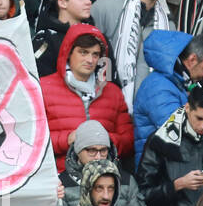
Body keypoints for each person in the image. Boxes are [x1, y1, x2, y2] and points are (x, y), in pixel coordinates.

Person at [37, 24, 133, 172]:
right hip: (60, 178)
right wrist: (68, 139)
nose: (90, 59)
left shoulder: (113, 92)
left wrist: (102, 139)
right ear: (68, 52)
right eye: (83, 52)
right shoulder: (43, 88)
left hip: (105, 180)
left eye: (95, 54)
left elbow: (128, 142)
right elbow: (32, 141)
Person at [89, 0, 171, 108]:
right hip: (107, 102)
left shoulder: (167, 19)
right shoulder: (105, 6)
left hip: (149, 108)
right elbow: (89, 52)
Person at [131, 32, 203, 161]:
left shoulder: (178, 83)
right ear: (192, 60)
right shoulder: (159, 87)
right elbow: (179, 132)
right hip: (157, 172)